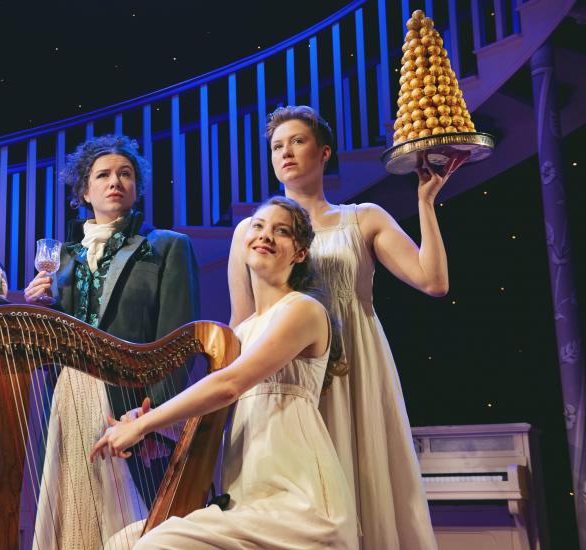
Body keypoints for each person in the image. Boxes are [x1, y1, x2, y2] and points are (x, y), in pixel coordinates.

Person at [229, 105, 468, 549]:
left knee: (359, 473)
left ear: (324, 153)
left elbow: (433, 281)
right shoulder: (251, 229)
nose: (286, 152)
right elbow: (242, 322)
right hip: (286, 369)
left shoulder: (363, 217)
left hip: (353, 361)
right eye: (277, 146)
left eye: (297, 142)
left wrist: (425, 204)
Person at [91, 196, 358, 549]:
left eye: (281, 231)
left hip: (298, 495)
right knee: (121, 543)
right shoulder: (243, 331)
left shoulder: (303, 310)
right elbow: (224, 412)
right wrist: (159, 432)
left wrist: (143, 424)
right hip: (246, 494)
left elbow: (229, 387)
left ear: (299, 254)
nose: (265, 236)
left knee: (153, 546)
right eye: (259, 226)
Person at [23, 134, 200, 549]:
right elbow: (51, 347)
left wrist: (155, 422)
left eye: (125, 174)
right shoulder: (61, 259)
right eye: (102, 175)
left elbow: (179, 342)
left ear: (137, 186)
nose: (115, 181)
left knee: (137, 529)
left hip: (132, 409)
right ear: (84, 191)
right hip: (69, 400)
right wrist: (40, 308)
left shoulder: (167, 246)